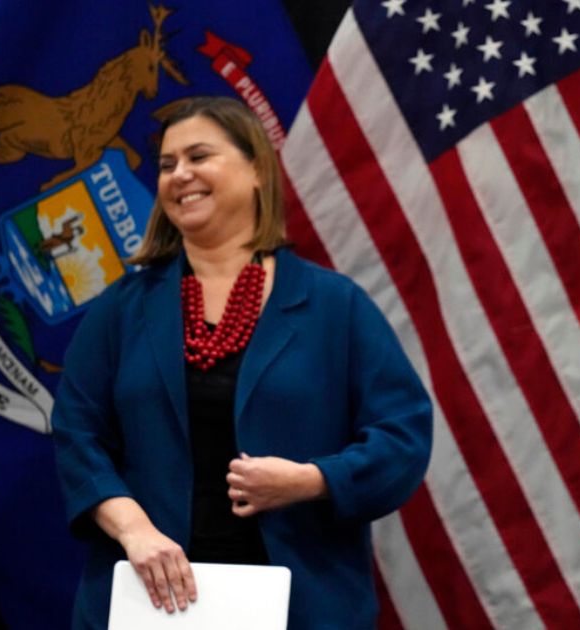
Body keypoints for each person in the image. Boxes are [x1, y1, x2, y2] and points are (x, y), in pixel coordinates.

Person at [52, 96, 432, 629]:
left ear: (256, 168)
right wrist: (133, 528)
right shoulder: (122, 309)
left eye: (199, 156)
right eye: (167, 165)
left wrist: (312, 479)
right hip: (151, 602)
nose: (179, 174)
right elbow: (75, 431)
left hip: (302, 605)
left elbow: (403, 438)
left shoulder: (334, 306)